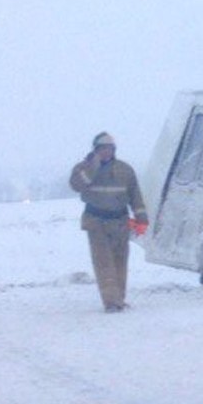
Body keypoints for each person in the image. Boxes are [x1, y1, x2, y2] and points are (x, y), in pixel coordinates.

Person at [69, 132, 149, 312]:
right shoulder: (83, 168)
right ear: (96, 150)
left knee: (120, 263)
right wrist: (93, 166)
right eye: (102, 149)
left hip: (120, 222)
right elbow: (76, 186)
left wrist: (141, 218)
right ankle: (111, 302)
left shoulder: (125, 170)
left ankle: (119, 298)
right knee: (104, 263)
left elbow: (135, 195)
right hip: (96, 223)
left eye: (110, 149)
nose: (107, 152)